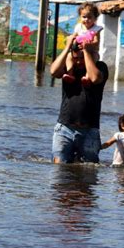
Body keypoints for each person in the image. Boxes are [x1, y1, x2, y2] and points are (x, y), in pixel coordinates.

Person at [50, 30, 108, 164]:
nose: (78, 62)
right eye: (76, 58)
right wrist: (67, 48)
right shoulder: (69, 67)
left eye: (81, 59)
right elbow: (53, 71)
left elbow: (94, 78)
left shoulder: (100, 67)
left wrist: (87, 52)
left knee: (88, 173)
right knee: (59, 171)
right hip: (64, 129)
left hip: (89, 130)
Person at [62, 2, 103, 86]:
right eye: (84, 17)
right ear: (80, 17)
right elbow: (74, 37)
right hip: (78, 52)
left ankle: (87, 76)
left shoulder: (96, 29)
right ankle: (70, 74)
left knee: (94, 58)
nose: (86, 20)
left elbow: (96, 42)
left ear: (95, 18)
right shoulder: (78, 27)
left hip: (91, 52)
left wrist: (89, 45)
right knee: (69, 56)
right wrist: (72, 41)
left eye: (89, 17)